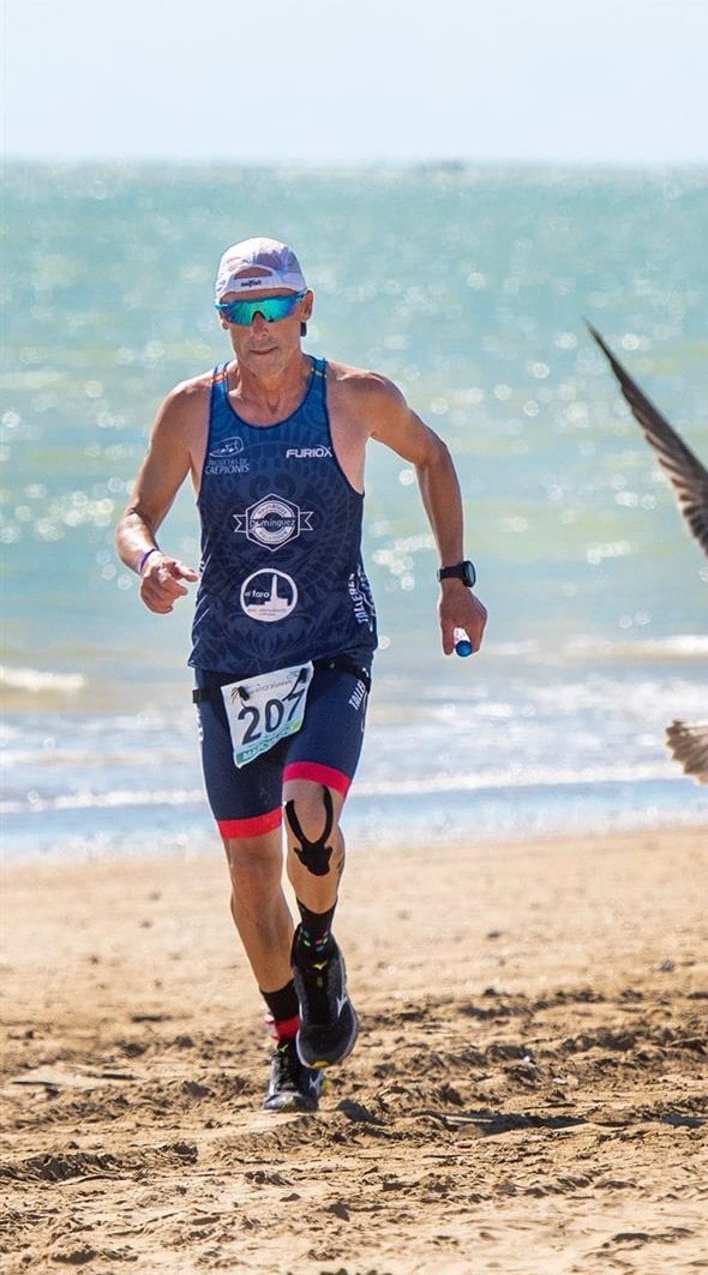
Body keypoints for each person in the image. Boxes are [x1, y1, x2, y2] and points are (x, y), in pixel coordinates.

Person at [115, 238, 489, 1112]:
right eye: (240, 312)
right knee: (250, 874)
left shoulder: (355, 399)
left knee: (309, 818)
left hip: (330, 646)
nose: (259, 327)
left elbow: (433, 458)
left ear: (305, 307)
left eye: (273, 308)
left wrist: (454, 582)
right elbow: (138, 513)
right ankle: (291, 1052)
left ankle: (318, 949)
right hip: (230, 661)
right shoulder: (192, 411)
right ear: (222, 321)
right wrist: (147, 563)